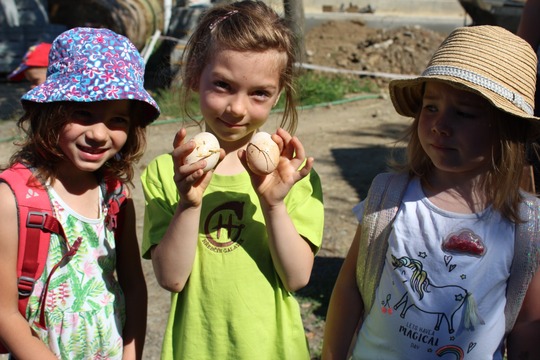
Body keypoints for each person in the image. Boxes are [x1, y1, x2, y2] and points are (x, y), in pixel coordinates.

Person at [322, 25, 540, 360]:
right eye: (430, 107)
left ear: (508, 130)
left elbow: (528, 325)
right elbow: (349, 288)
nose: (440, 124)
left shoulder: (525, 225)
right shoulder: (388, 198)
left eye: (465, 113)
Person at [140, 1, 324, 359]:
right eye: (223, 85)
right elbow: (172, 278)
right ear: (194, 76)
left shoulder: (291, 175)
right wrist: (189, 203)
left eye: (259, 93)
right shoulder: (167, 173)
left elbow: (297, 277)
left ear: (278, 95)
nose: (237, 108)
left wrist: (273, 204)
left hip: (272, 349)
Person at [0, 27, 160, 359]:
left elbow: (133, 287)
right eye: (83, 113)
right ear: (51, 110)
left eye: (117, 118)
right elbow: (3, 314)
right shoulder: (12, 199)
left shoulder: (115, 196)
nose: (99, 134)